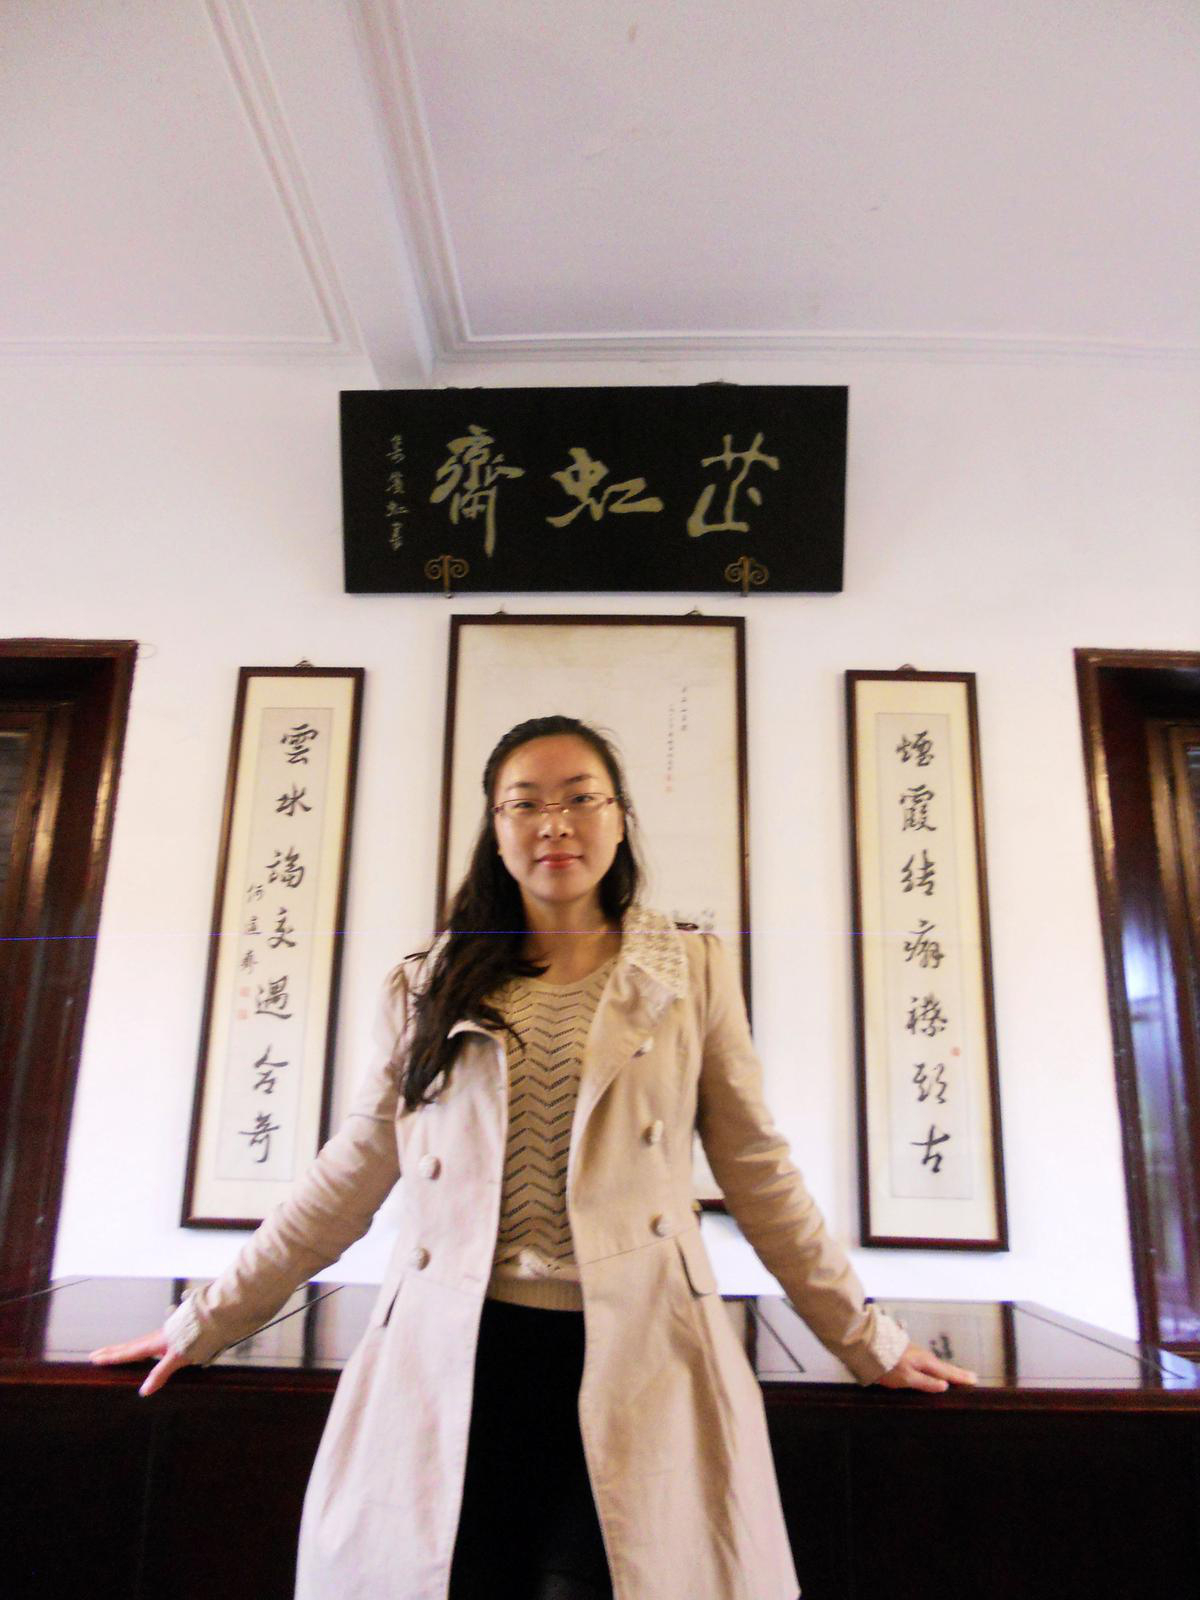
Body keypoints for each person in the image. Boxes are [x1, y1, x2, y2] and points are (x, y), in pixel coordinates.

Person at [92, 714, 975, 1600]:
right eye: (525, 804)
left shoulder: (689, 970)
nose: (555, 823)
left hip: (640, 1350)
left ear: (620, 819)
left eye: (581, 798)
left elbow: (760, 1172)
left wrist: (866, 1338)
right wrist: (204, 1321)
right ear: (496, 828)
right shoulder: (429, 981)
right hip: (460, 1351)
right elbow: (349, 1173)